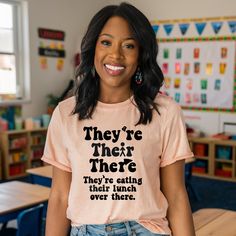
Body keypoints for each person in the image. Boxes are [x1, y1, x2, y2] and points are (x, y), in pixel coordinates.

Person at [42, 2, 196, 236]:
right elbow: (60, 196)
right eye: (106, 42)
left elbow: (176, 195)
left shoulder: (165, 111)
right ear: (93, 47)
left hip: (145, 229)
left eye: (129, 45)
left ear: (141, 54)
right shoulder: (65, 114)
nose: (116, 54)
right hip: (86, 230)